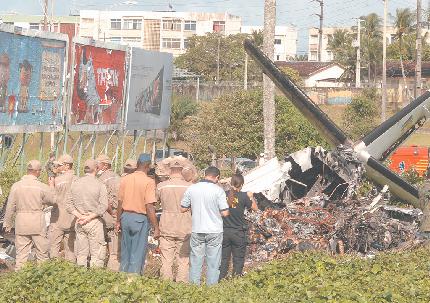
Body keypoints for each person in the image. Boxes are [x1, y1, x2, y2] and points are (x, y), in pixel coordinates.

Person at [180, 166, 229, 286]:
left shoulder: (192, 188)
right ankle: (211, 289)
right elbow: (225, 212)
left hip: (197, 229)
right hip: (214, 230)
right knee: (213, 263)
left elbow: (182, 208)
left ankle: (194, 288)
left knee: (195, 261)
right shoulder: (218, 190)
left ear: (205, 174)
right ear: (217, 177)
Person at [3, 160, 54, 270]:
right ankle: (42, 280)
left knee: (21, 255)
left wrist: (7, 223)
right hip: (37, 222)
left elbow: (10, 206)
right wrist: (51, 186)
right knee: (42, 254)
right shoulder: (41, 186)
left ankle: (20, 281)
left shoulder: (16, 186)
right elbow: (54, 200)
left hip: (22, 222)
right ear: (37, 171)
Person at [116, 153, 160, 274]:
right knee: (137, 253)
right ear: (148, 166)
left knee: (126, 252)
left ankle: (122, 279)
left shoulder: (125, 179)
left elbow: (120, 202)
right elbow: (149, 206)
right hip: (140, 219)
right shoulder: (148, 182)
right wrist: (156, 227)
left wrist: (118, 221)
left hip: (125, 218)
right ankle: (133, 282)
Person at [66, 159, 108, 267]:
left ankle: (81, 277)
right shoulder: (99, 184)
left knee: (81, 254)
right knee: (97, 254)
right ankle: (94, 280)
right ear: (96, 169)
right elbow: (103, 206)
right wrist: (90, 217)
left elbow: (68, 204)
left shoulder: (75, 183)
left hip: (79, 221)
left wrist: (80, 216)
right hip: (93, 221)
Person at [157, 161, 192, 282]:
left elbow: (154, 204)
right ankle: (182, 284)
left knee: (166, 258)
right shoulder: (190, 186)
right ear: (182, 170)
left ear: (170, 170)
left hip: (167, 224)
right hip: (185, 225)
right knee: (183, 259)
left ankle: (166, 283)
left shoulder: (162, 186)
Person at [219, 174, 258, 280]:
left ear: (231, 183)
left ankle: (221, 280)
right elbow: (255, 208)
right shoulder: (244, 196)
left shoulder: (223, 194)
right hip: (238, 232)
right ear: (242, 184)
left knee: (224, 259)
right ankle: (236, 281)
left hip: (224, 231)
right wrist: (251, 197)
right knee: (238, 259)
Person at [49, 154, 78, 262]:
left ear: (66, 166)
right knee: (70, 248)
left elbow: (52, 198)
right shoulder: (77, 179)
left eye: (60, 165)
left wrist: (51, 185)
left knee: (54, 246)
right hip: (72, 218)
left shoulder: (58, 180)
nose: (57, 167)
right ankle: (71, 272)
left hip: (58, 217)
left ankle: (54, 271)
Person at [96, 154, 120, 271]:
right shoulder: (117, 177)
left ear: (105, 165)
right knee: (114, 246)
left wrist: (111, 213)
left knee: (101, 243)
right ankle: (113, 269)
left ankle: (101, 269)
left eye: (98, 164)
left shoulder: (101, 180)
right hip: (116, 213)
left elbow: (106, 201)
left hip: (107, 213)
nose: (96, 167)